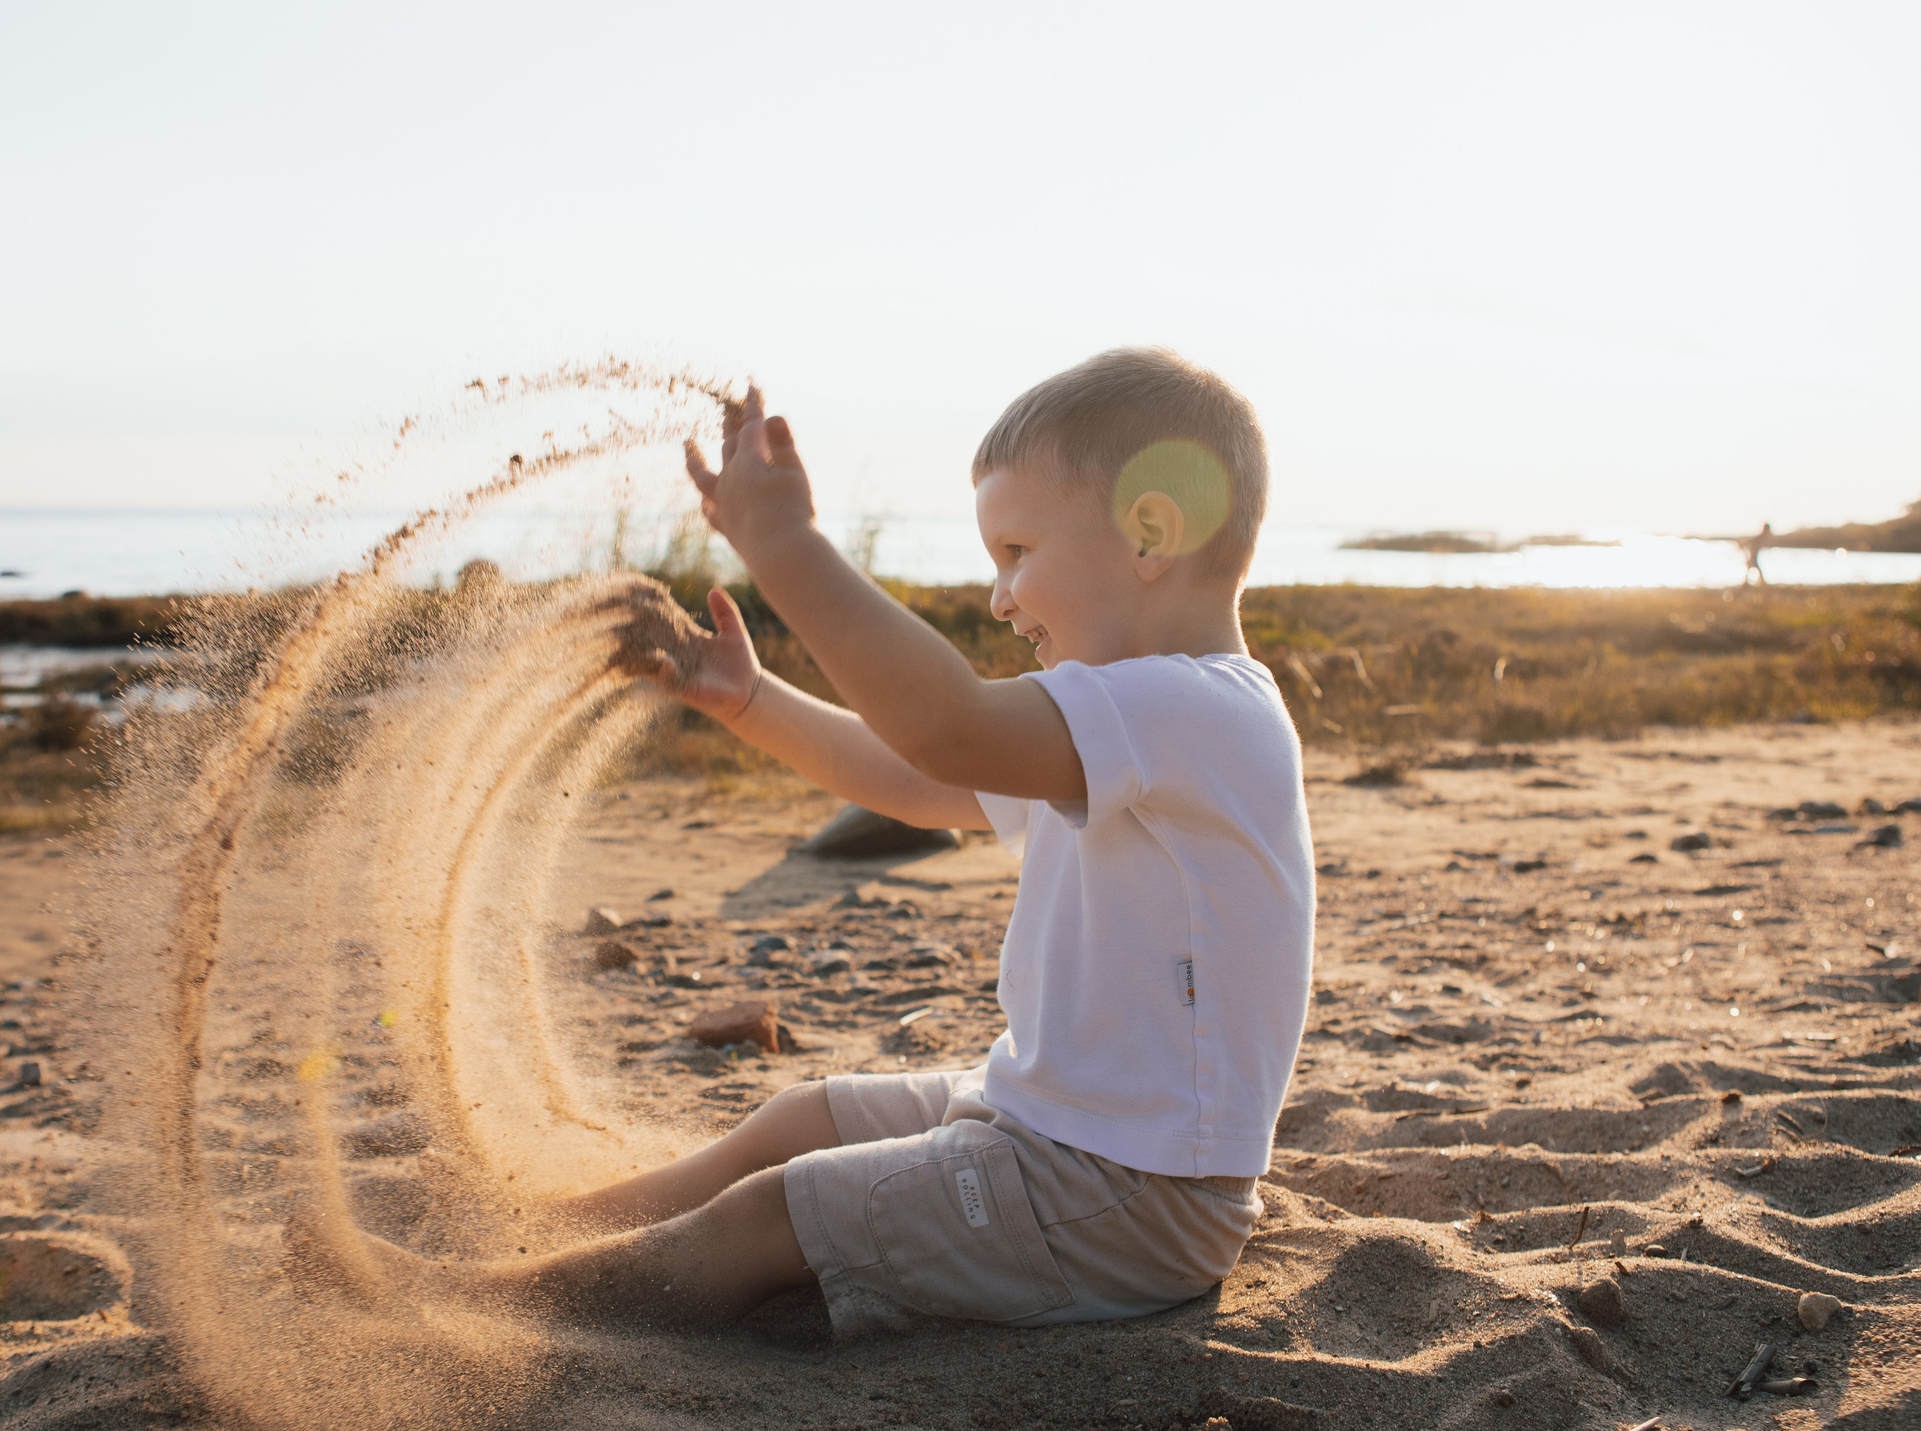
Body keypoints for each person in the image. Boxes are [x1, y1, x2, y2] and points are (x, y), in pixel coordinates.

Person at [299, 348, 1314, 1334]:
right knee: (802, 1120)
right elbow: (918, 776)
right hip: (1052, 1130)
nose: (1001, 597)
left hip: (1135, 1200)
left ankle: (479, 1305)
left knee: (774, 1212)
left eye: (1017, 555)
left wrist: (781, 543)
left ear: (1149, 533)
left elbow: (946, 723)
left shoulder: (1195, 710)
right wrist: (747, 698)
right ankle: (531, 1234)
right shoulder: (1132, 723)